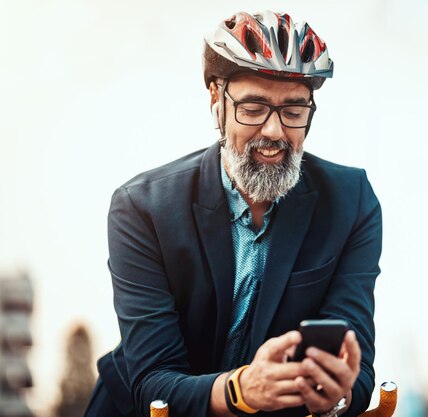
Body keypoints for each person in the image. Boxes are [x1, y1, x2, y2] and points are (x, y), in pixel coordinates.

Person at [84, 10, 382, 417]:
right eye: (253, 107)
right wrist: (242, 389)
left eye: (294, 111)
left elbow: (359, 368)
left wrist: (337, 396)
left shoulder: (352, 202)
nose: (275, 132)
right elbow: (153, 379)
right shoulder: (141, 207)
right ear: (215, 101)